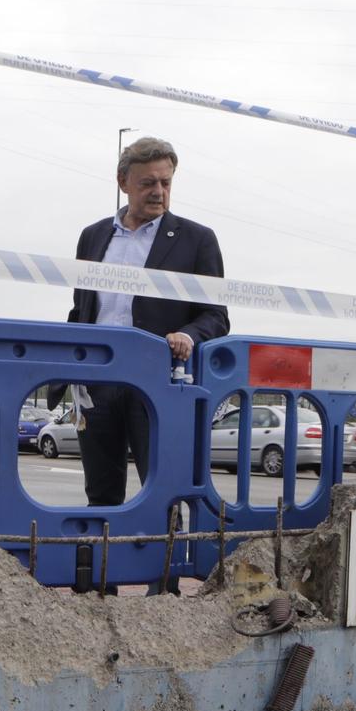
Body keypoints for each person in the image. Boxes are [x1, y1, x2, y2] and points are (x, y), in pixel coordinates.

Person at [68, 136, 229, 507]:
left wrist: (188, 334)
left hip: (157, 381)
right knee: (101, 494)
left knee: (161, 496)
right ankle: (103, 563)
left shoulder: (198, 240)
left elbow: (216, 316)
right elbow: (81, 310)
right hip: (97, 380)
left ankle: (164, 567)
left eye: (166, 183)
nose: (159, 192)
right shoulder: (92, 237)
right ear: (123, 183)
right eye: (148, 183)